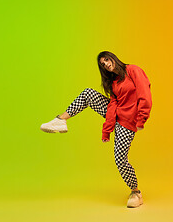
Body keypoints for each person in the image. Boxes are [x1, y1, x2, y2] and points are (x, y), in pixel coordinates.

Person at [40, 51, 152, 208]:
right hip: (117, 117)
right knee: (88, 93)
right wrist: (107, 129)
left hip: (128, 122)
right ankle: (61, 119)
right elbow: (113, 104)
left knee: (120, 160)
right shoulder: (113, 83)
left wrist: (141, 118)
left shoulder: (132, 70)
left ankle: (136, 192)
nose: (105, 63)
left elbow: (144, 93)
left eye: (106, 59)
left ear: (113, 57)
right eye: (102, 64)